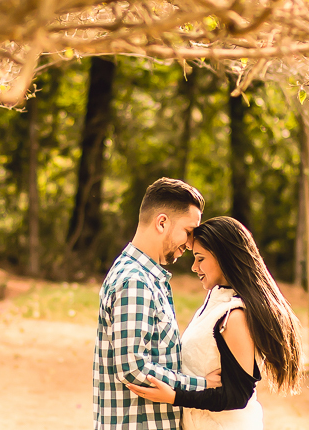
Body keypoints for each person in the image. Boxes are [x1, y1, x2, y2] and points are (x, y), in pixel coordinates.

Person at [126, 216, 304, 430]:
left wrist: (174, 396)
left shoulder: (235, 316)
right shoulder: (216, 300)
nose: (194, 267)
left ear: (223, 257)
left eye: (200, 259)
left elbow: (237, 396)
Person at [93, 178, 220, 430]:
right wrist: (203, 385)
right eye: (188, 232)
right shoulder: (135, 281)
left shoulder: (148, 278)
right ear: (162, 222)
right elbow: (133, 367)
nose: (190, 243)